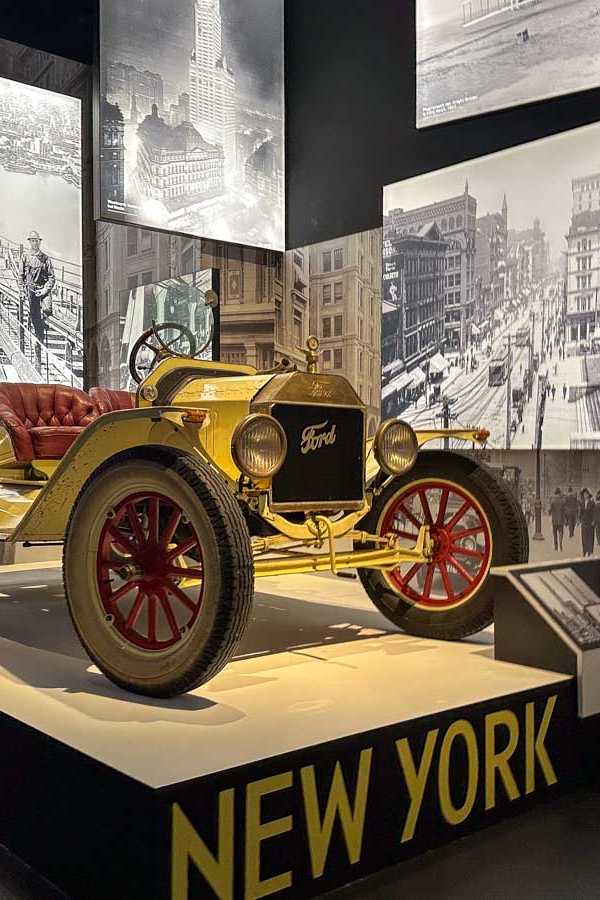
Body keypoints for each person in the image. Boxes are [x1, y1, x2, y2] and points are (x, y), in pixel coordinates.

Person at [20, 230, 55, 373]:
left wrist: (45, 290)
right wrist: (22, 291)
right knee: (35, 319)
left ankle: (44, 322)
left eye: (37, 240)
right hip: (31, 290)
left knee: (47, 309)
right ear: (30, 242)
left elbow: (52, 278)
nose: (35, 243)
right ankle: (36, 329)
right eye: (32, 240)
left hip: (43, 289)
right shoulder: (25, 257)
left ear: (40, 242)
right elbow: (21, 276)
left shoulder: (45, 259)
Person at [580, 489, 596, 557]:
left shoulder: (592, 503)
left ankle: (590, 551)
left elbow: (594, 513)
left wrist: (593, 521)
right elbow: (580, 512)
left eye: (586, 494)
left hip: (590, 522)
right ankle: (584, 551)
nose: (585, 495)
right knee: (584, 537)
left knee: (590, 537)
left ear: (589, 495)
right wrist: (579, 520)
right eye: (584, 494)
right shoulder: (582, 503)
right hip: (584, 522)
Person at [549, 487, 565, 552]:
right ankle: (560, 543)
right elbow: (564, 510)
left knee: (555, 533)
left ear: (555, 493)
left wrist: (550, 512)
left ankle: (556, 546)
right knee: (561, 532)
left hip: (554, 520)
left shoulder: (552, 500)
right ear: (559, 493)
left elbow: (550, 510)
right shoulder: (562, 501)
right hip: (561, 519)